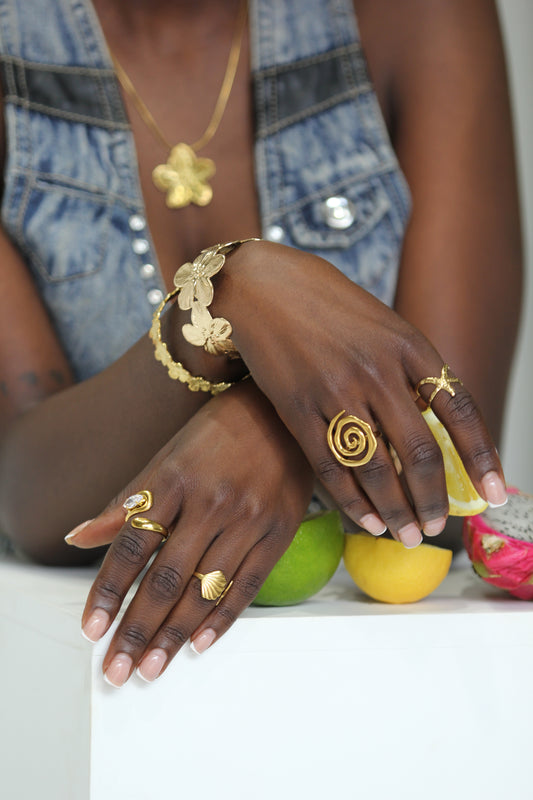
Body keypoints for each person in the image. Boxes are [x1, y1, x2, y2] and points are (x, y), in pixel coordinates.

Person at [0, 0, 522, 687]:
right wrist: (229, 297)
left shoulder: (419, 14)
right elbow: (26, 489)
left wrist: (268, 421)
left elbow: (448, 471)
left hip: (381, 683)